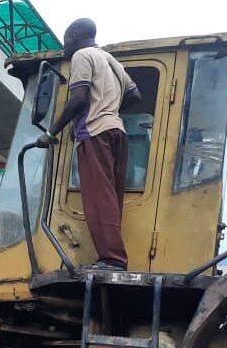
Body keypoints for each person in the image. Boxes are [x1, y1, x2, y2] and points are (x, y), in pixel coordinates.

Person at [39, 18, 142, 271]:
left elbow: (77, 99)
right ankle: (113, 257)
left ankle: (113, 260)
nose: (65, 47)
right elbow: (134, 95)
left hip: (95, 133)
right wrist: (109, 110)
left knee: (98, 199)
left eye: (65, 40)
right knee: (112, 198)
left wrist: (51, 134)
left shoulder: (82, 56)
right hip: (117, 131)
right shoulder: (110, 60)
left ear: (73, 36)